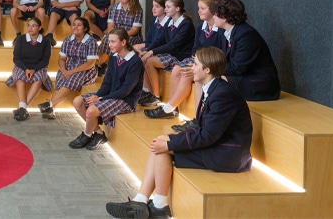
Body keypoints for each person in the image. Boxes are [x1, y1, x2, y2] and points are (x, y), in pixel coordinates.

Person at [105, 47, 253, 219]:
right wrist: (168, 140)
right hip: (218, 145)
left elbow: (207, 136)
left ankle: (159, 205)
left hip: (227, 154)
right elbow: (204, 130)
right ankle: (142, 200)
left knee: (163, 148)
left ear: (207, 70)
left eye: (196, 64)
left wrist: (170, 144)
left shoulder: (222, 94)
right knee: (160, 142)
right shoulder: (213, 88)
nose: (191, 67)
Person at [145, 0, 225, 120]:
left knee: (185, 73)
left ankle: (169, 108)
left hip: (207, 63)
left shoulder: (219, 30)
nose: (199, 11)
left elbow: (219, 52)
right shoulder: (201, 27)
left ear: (213, 10)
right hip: (197, 60)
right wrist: (148, 50)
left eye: (202, 8)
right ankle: (170, 107)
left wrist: (199, 60)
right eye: (199, 8)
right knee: (177, 69)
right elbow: (195, 47)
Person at [69, 28, 144, 151]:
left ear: (123, 42)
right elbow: (107, 83)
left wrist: (100, 98)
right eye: (109, 41)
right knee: (78, 101)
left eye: (113, 42)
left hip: (126, 100)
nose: (110, 45)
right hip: (111, 95)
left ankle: (86, 134)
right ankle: (98, 133)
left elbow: (126, 90)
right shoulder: (114, 57)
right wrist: (97, 96)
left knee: (92, 110)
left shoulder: (135, 61)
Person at [211, 0, 280, 101]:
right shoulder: (225, 32)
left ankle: (212, 116)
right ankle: (199, 116)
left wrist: (210, 69)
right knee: (202, 76)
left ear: (224, 18)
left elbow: (238, 68)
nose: (213, 17)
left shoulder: (246, 34)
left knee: (212, 79)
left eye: (215, 14)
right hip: (243, 77)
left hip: (259, 84)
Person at [138, 0, 195, 107]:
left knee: (150, 61)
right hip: (172, 53)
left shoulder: (186, 24)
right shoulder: (170, 21)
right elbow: (160, 39)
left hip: (180, 55)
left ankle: (156, 95)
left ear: (177, 9)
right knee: (143, 57)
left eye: (168, 7)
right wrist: (148, 50)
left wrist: (152, 52)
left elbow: (173, 45)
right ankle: (148, 92)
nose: (165, 9)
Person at [38, 17, 98, 119]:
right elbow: (61, 59)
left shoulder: (91, 41)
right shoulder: (68, 40)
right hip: (69, 68)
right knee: (61, 80)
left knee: (71, 80)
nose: (75, 27)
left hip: (85, 70)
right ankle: (52, 109)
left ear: (85, 28)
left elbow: (90, 63)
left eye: (79, 25)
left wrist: (71, 72)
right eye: (74, 24)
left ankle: (50, 104)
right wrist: (64, 70)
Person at [6, 17, 52, 121]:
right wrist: (26, 69)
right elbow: (16, 58)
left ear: (40, 28)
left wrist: (34, 70)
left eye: (33, 26)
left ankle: (22, 108)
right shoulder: (21, 39)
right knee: (19, 78)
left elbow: (45, 61)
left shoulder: (45, 41)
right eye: (29, 25)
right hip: (22, 66)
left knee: (39, 78)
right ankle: (24, 108)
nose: (30, 28)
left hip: (38, 67)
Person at [96, 0, 143, 76]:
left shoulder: (137, 10)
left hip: (130, 35)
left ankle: (112, 67)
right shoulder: (114, 8)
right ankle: (101, 64)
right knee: (107, 39)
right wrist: (115, 34)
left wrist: (121, 35)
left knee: (119, 42)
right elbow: (110, 25)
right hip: (115, 33)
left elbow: (135, 29)